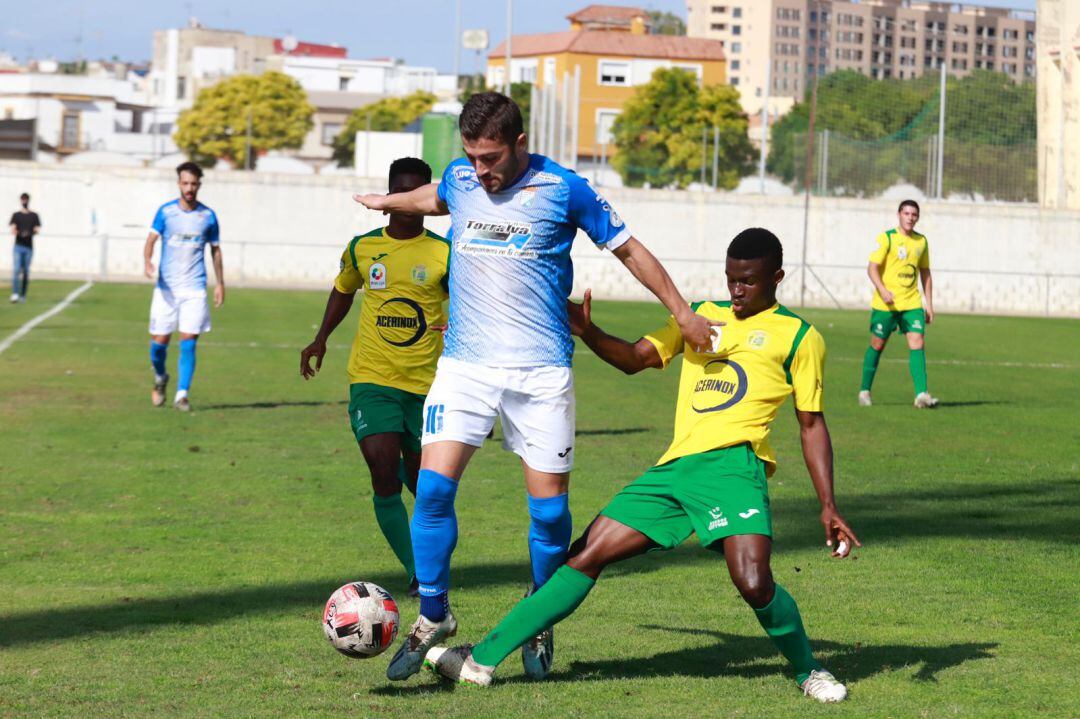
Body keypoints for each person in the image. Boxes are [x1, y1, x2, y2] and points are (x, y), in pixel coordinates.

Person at [353, 92, 716, 682]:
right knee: (435, 492)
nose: (481, 170)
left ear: (520, 144)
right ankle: (435, 614)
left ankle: (538, 617)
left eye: (491, 157)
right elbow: (437, 195)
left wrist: (681, 313)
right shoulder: (462, 178)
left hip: (541, 371)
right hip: (465, 366)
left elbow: (630, 250)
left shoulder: (564, 188)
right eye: (471, 156)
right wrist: (389, 200)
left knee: (549, 515)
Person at [427, 228, 861, 704]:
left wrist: (828, 505)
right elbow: (635, 358)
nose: (736, 290)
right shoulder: (699, 317)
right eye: (731, 279)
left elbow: (812, 424)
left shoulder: (799, 336)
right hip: (674, 471)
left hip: (733, 469)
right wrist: (588, 330)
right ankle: (480, 661)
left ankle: (809, 671)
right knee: (585, 553)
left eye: (749, 281)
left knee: (754, 583)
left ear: (776, 277)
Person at [300, 157, 450, 597]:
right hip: (372, 381)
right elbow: (343, 289)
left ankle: (418, 502)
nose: (406, 203)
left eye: (415, 194)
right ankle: (417, 571)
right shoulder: (362, 248)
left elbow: (463, 305)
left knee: (427, 490)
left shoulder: (444, 254)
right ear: (386, 200)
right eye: (398, 194)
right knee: (382, 470)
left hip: (426, 387)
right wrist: (320, 338)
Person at [143, 161, 224, 411]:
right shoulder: (166, 212)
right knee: (159, 345)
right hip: (167, 288)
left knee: (188, 341)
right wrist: (147, 261)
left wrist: (220, 283)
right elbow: (151, 239)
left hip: (195, 288)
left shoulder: (208, 216)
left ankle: (182, 394)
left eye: (193, 184)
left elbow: (216, 250)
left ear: (199, 185)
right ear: (179, 183)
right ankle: (160, 378)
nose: (189, 188)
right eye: (185, 183)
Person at [859, 200, 938, 408]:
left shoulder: (921, 242)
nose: (910, 217)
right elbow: (872, 268)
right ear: (899, 215)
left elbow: (925, 273)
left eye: (914, 214)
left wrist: (929, 304)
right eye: (906, 213)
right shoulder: (887, 238)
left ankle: (921, 394)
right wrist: (883, 290)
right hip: (886, 305)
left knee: (917, 341)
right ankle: (865, 390)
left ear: (917, 217)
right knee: (877, 344)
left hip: (911, 303)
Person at [9, 193, 41, 303]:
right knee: (16, 270)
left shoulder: (34, 215)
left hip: (29, 247)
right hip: (18, 246)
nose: (24, 201)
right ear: (20, 200)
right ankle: (15, 294)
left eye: (26, 199)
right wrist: (20, 233)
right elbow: (13, 229)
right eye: (22, 199)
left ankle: (23, 295)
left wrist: (29, 233)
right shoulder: (16, 215)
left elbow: (37, 229)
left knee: (26, 271)